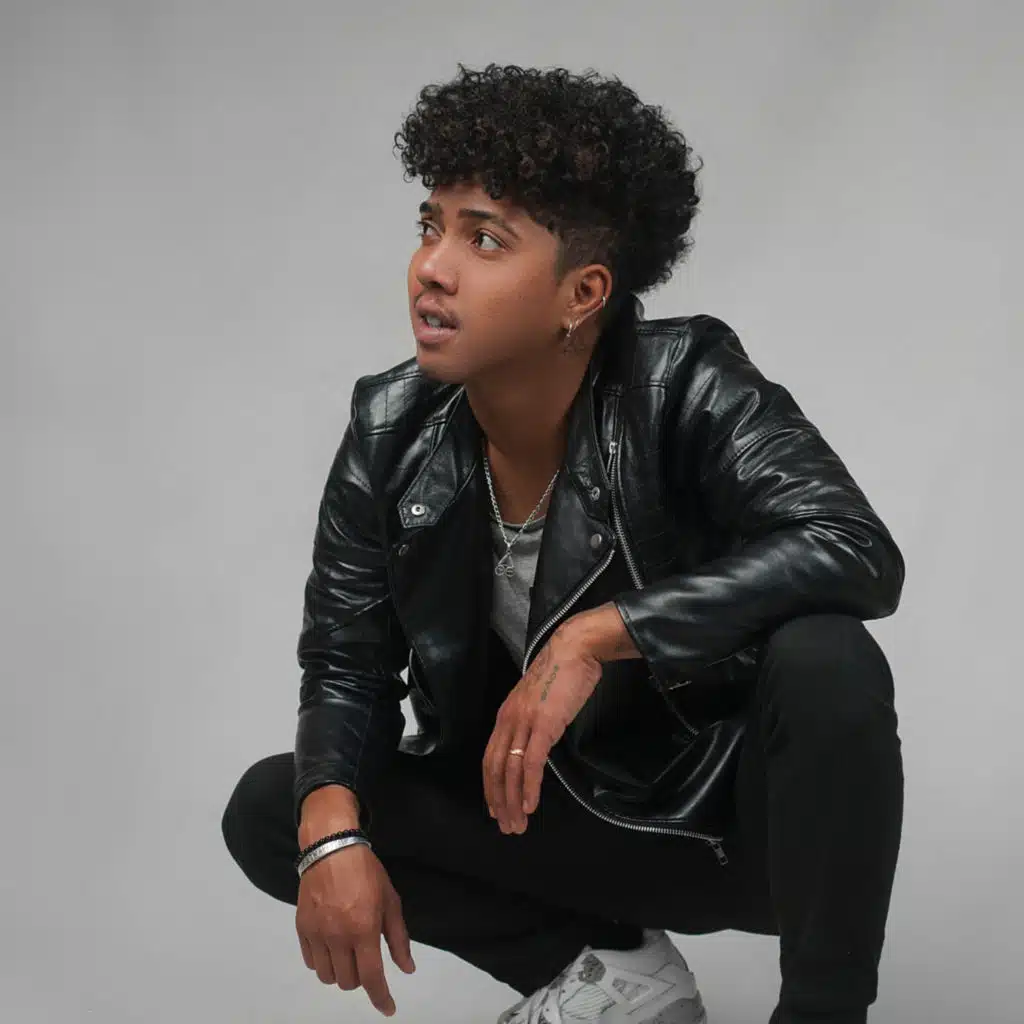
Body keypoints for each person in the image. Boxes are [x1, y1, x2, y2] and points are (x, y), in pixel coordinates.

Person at [221, 63, 905, 1024]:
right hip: (542, 823)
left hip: (729, 826)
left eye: (483, 239)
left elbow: (853, 546)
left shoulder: (683, 382)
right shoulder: (388, 431)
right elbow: (346, 664)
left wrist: (599, 634)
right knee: (282, 806)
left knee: (828, 655)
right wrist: (332, 839)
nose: (432, 267)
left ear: (581, 292)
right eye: (430, 225)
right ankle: (614, 974)